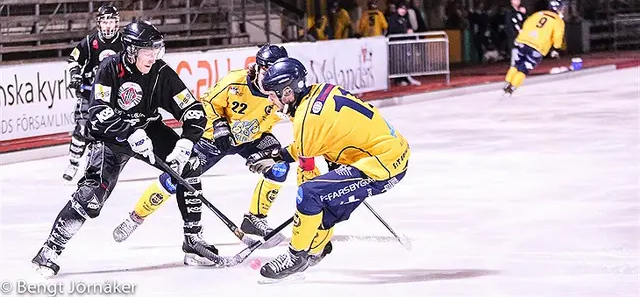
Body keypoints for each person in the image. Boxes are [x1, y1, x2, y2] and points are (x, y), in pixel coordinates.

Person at [32, 21, 220, 278]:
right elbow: (97, 112)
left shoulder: (160, 72)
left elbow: (194, 111)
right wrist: (129, 132)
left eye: (157, 50)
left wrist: (186, 143)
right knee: (91, 197)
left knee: (190, 166)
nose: (154, 56)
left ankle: (193, 240)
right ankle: (49, 250)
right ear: (131, 50)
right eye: (148, 51)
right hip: (111, 137)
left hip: (149, 129)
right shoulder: (109, 68)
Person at [244, 57, 410, 280]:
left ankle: (296, 256)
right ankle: (316, 248)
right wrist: (278, 155)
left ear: (287, 93)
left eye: (273, 95)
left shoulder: (306, 119)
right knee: (324, 202)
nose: (272, 102)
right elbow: (323, 138)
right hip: (387, 153)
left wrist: (303, 210)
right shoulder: (322, 90)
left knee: (311, 193)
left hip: (380, 166)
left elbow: (308, 173)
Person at [112, 44, 291, 247]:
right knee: (176, 176)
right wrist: (219, 124)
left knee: (279, 165)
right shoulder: (235, 81)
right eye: (266, 70)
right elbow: (206, 102)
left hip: (254, 138)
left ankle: (255, 218)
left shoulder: (284, 92)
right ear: (257, 67)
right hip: (213, 139)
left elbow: (303, 122)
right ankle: (135, 217)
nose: (270, 78)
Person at [64, 5, 123, 181]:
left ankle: (101, 166)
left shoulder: (124, 43)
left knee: (107, 133)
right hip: (89, 93)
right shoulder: (90, 42)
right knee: (82, 128)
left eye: (111, 21)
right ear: (99, 23)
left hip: (112, 97)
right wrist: (75, 75)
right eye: (105, 21)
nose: (108, 25)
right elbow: (73, 59)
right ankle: (73, 163)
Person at [504, 0, 566, 95]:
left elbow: (526, 24)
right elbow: (557, 37)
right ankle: (512, 87)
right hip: (537, 46)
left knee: (517, 64)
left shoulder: (538, 14)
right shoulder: (558, 21)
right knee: (524, 68)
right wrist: (555, 48)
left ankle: (507, 82)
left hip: (523, 41)